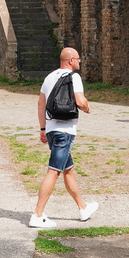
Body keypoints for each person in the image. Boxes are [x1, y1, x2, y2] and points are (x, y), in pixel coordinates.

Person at [30, 47, 98, 229]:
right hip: (65, 132)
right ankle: (37, 214)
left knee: (68, 170)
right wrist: (88, 108)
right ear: (70, 61)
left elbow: (41, 104)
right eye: (77, 59)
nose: (79, 61)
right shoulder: (74, 77)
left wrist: (43, 128)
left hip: (52, 130)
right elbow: (80, 101)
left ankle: (83, 208)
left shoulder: (49, 77)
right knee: (53, 171)